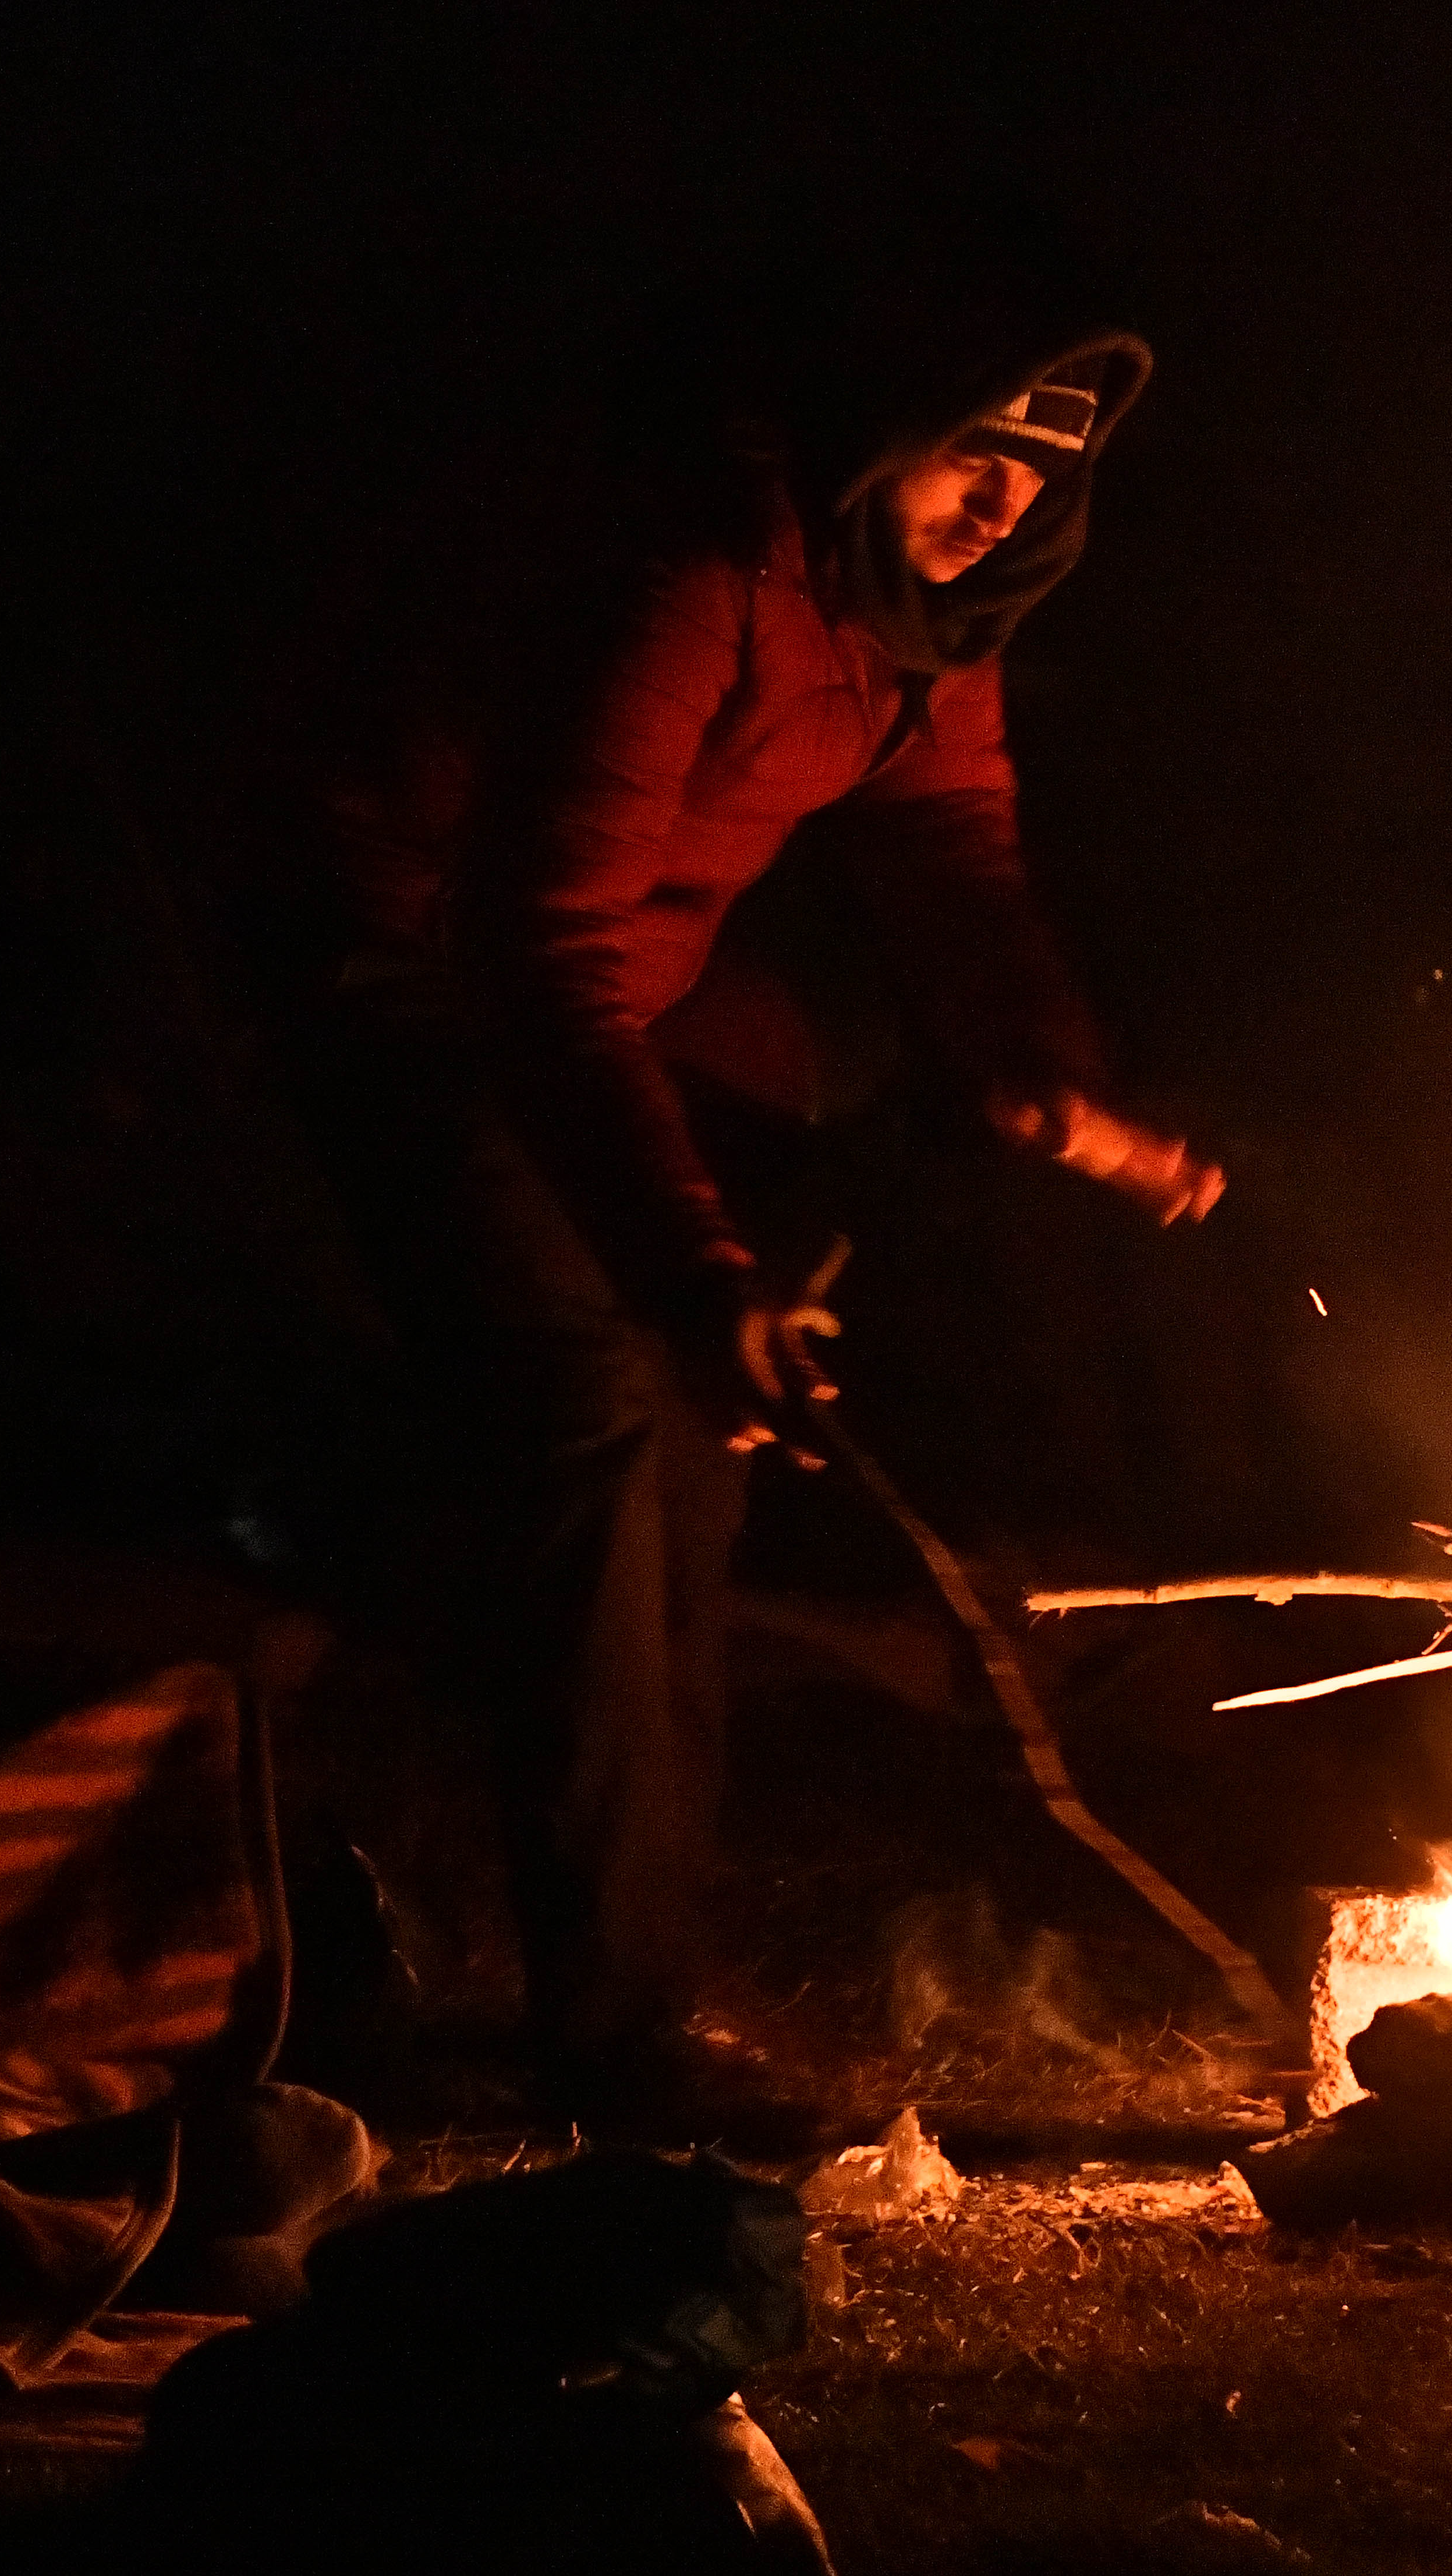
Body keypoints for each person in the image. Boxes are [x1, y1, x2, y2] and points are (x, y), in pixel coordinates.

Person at [284, 319, 1217, 2149]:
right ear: (882, 435)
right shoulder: (699, 579)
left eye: (1041, 473)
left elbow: (957, 850)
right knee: (595, 1405)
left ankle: (630, 1991)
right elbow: (530, 948)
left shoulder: (921, 627)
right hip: (406, 964)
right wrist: (701, 1279)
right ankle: (608, 2036)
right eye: (973, 453)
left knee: (693, 1455)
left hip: (605, 993)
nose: (1000, 502)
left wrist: (1047, 1073)